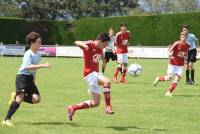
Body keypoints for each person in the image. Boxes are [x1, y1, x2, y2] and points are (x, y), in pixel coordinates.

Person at [2, 32, 51, 126]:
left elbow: (34, 69)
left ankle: (15, 95)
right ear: (32, 43)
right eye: (38, 42)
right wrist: (44, 65)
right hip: (22, 77)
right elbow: (28, 67)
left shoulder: (38, 55)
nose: (40, 44)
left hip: (30, 78)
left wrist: (34, 78)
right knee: (20, 98)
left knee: (36, 99)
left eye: (40, 42)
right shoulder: (28, 54)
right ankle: (6, 120)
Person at [67, 33, 114, 121]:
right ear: (99, 41)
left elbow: (101, 55)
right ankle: (108, 106)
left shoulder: (100, 48)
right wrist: (83, 45)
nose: (105, 47)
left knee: (95, 103)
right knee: (106, 81)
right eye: (104, 44)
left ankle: (73, 107)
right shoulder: (90, 44)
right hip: (90, 74)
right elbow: (77, 42)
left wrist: (104, 61)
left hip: (94, 75)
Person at [153, 33, 190, 97]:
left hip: (180, 65)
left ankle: (168, 92)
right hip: (173, 64)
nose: (183, 39)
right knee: (168, 78)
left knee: (177, 79)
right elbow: (169, 50)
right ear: (180, 37)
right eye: (182, 37)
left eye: (185, 37)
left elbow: (186, 54)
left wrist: (186, 58)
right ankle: (158, 78)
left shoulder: (188, 45)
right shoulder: (177, 43)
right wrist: (169, 54)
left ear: (186, 38)